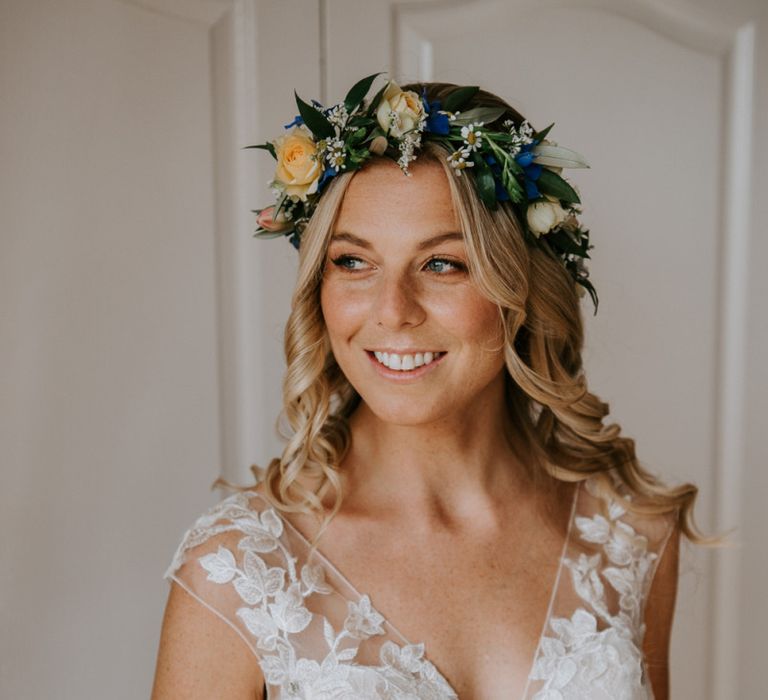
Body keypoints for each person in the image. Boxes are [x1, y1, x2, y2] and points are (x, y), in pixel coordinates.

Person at [151, 76, 720, 699]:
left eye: (443, 264)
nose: (392, 311)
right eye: (353, 262)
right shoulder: (238, 571)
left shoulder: (631, 535)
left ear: (521, 287)